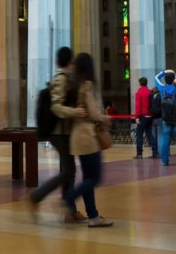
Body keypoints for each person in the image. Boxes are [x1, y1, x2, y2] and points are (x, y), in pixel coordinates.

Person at [29, 46, 83, 221]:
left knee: (68, 170)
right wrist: (75, 112)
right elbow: (56, 106)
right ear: (71, 62)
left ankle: (70, 210)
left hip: (63, 132)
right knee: (68, 171)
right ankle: (38, 195)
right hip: (59, 133)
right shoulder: (61, 79)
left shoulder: (66, 78)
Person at [64, 52, 114, 227]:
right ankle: (69, 198)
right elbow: (93, 113)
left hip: (77, 136)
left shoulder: (74, 86)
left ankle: (93, 216)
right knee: (95, 178)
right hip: (88, 137)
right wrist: (104, 118)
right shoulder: (88, 85)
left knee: (88, 178)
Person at [154, 69, 176, 166]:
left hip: (166, 118)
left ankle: (165, 161)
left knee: (166, 139)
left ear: (165, 80)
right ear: (173, 80)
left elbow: (156, 78)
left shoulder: (161, 88)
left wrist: (164, 72)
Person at [133, 77, 156, 159]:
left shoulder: (139, 93)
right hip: (150, 116)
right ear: (146, 83)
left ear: (140, 83)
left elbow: (137, 106)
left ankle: (139, 153)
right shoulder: (150, 92)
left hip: (142, 116)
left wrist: (137, 117)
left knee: (139, 135)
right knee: (150, 134)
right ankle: (155, 152)